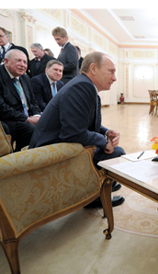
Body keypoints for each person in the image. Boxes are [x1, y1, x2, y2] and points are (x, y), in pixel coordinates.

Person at [29, 51, 125, 207]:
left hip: (60, 143)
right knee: (116, 153)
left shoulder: (84, 85)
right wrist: (103, 141)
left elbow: (80, 121)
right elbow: (73, 132)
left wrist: (106, 132)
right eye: (111, 72)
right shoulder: (82, 87)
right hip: (52, 151)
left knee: (116, 152)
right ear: (93, 68)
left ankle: (98, 187)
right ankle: (91, 196)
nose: (114, 78)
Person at [0, 49, 41, 151]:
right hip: (7, 119)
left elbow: (33, 101)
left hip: (26, 116)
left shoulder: (25, 78)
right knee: (31, 129)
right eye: (18, 60)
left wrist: (37, 116)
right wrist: (27, 119)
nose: (22, 65)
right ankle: (19, 159)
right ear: (6, 61)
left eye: (25, 62)